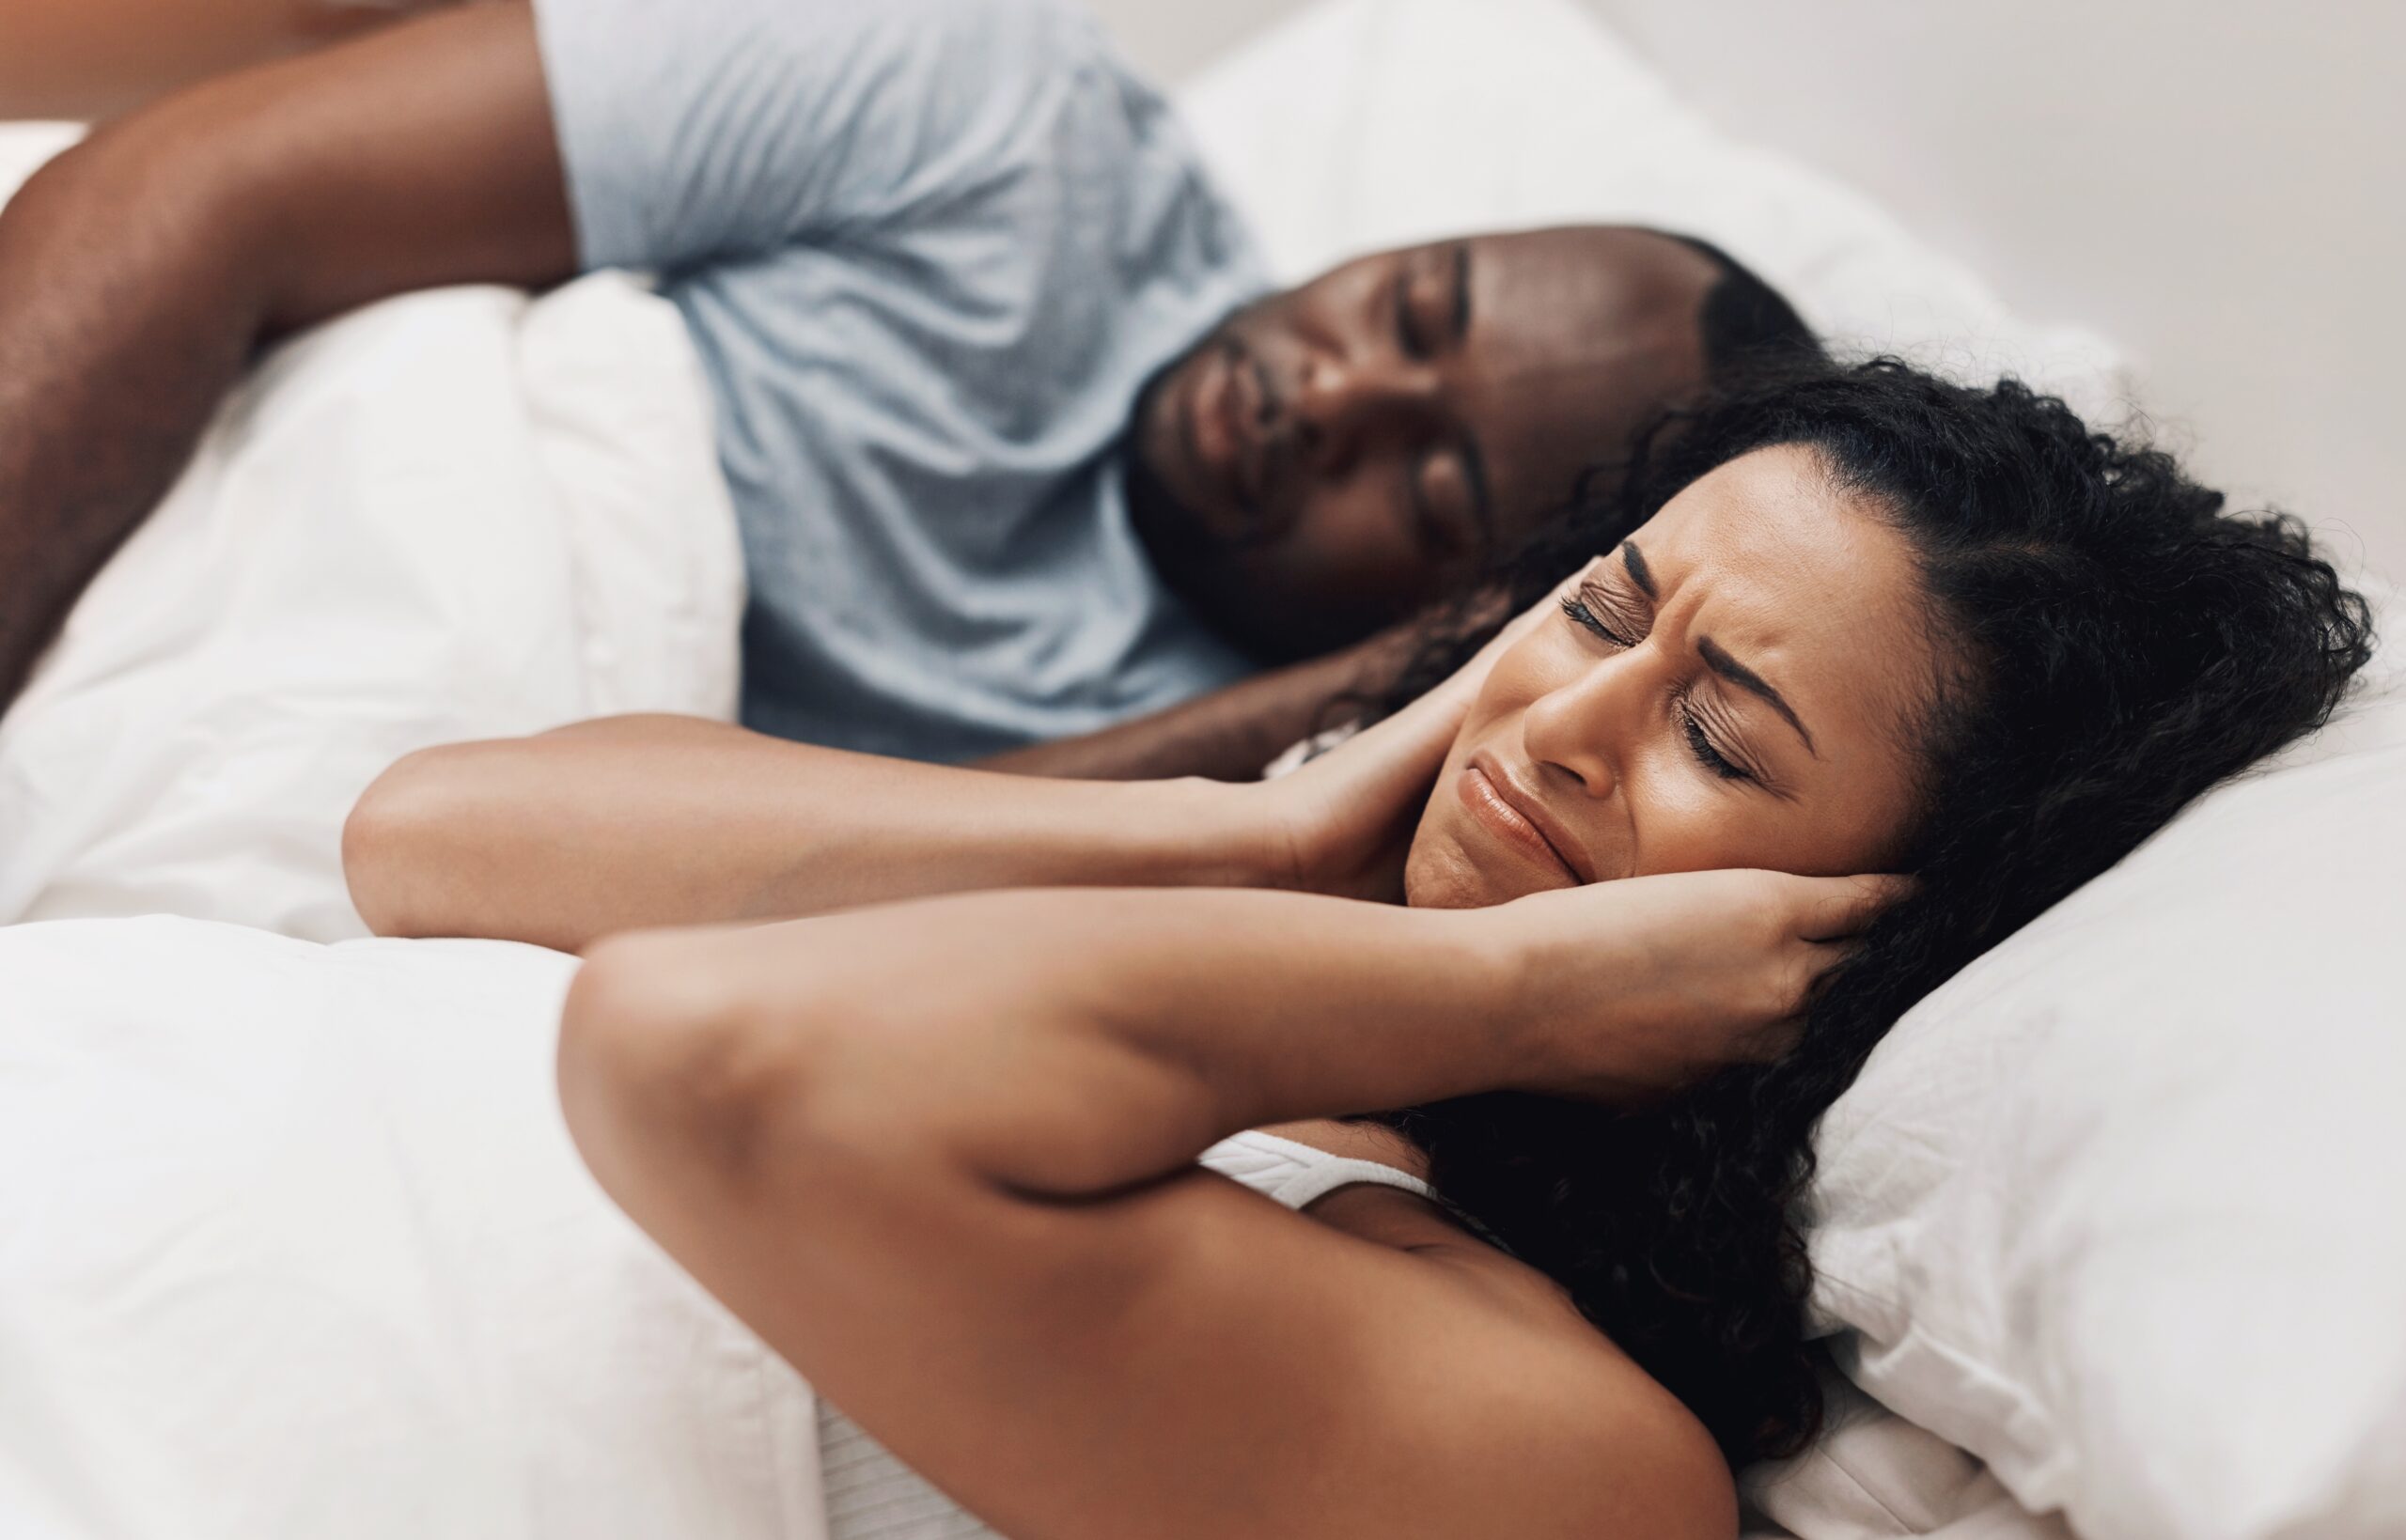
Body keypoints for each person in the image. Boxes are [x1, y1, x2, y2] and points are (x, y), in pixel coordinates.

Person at [338, 358, 2372, 1536]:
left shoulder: (1561, 1444)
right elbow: (431, 834)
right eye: (1596, 613)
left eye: (1717, 732)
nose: (1561, 727)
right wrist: (1255, 829)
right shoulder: (1242, 928)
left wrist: (1516, 992)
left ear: (1859, 928)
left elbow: (712, 1053)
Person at [0, 0, 1816, 779]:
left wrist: (1378, 696)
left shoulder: (1248, 754)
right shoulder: (974, 107)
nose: (1333, 392)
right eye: (1411, 307)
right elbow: (193, 191)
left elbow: (818, 897)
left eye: (1422, 488)